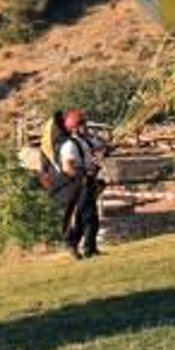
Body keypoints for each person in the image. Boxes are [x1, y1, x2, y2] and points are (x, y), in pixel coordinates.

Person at [57, 108, 105, 259]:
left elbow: (101, 147)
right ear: (74, 129)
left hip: (89, 181)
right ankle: (78, 245)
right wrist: (83, 176)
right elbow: (67, 167)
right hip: (78, 184)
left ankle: (88, 247)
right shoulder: (69, 145)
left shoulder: (88, 141)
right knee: (89, 216)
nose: (86, 128)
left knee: (87, 216)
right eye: (82, 125)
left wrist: (107, 148)